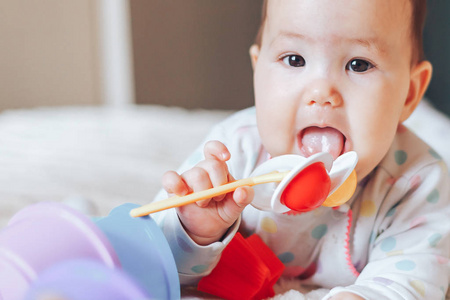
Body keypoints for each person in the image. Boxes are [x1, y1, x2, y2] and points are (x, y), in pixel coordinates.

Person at [153, 0, 449, 299]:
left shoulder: (418, 183)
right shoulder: (232, 153)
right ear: (258, 73)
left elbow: (407, 287)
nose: (322, 92)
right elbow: (153, 262)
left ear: (409, 94)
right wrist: (195, 232)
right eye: (294, 59)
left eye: (358, 64)